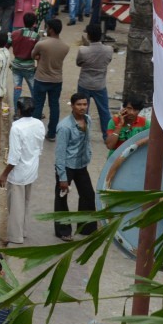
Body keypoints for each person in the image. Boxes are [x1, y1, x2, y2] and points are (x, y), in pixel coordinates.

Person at [0, 97, 46, 245]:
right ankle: (22, 231)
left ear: (19, 111)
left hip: (18, 172)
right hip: (32, 169)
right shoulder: (39, 124)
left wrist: (4, 174)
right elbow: (39, 147)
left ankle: (15, 236)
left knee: (15, 206)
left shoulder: (17, 128)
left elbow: (14, 157)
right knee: (24, 203)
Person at [54, 93, 96, 241]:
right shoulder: (64, 127)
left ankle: (86, 228)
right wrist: (63, 177)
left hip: (81, 165)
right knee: (62, 198)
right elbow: (60, 154)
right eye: (79, 104)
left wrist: (88, 154)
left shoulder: (88, 120)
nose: (82, 107)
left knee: (88, 195)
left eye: (85, 104)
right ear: (72, 106)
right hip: (67, 166)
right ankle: (63, 231)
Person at [32, 17, 69, 140]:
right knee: (54, 106)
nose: (46, 30)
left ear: (51, 30)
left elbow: (33, 55)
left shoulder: (42, 44)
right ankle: (52, 133)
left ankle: (35, 133)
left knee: (38, 105)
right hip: (56, 80)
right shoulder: (65, 47)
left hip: (41, 78)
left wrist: (39, 57)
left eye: (47, 27)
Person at [75, 24, 114, 141]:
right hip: (99, 84)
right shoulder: (109, 50)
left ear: (88, 35)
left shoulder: (83, 50)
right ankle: (107, 135)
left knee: (82, 110)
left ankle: (82, 135)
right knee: (104, 111)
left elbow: (78, 63)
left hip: (84, 83)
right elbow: (108, 61)